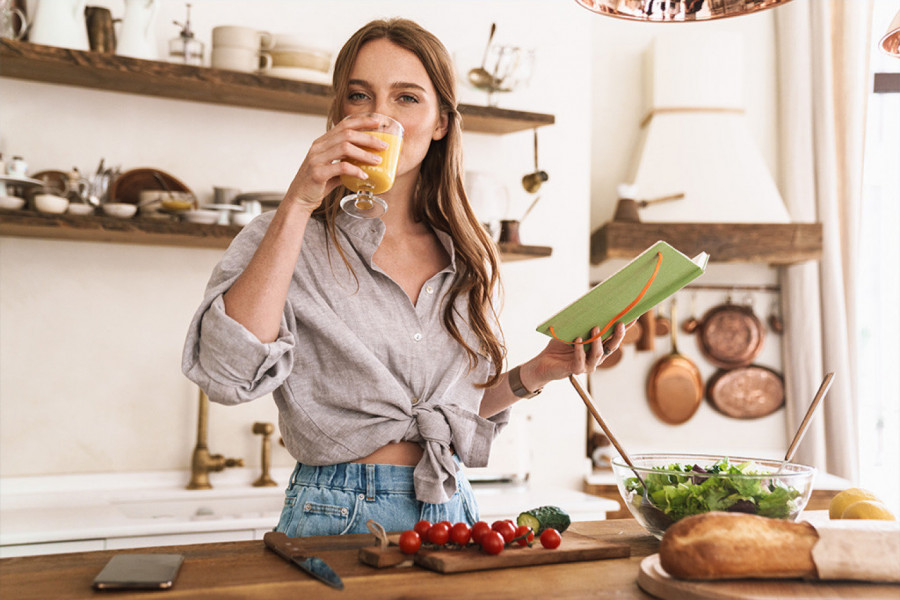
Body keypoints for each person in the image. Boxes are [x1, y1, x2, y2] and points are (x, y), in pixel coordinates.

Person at [182, 18, 625, 537]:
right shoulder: (289, 235)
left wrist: (537, 373)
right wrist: (300, 199)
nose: (378, 117)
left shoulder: (468, 251)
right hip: (337, 513)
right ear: (338, 113)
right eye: (359, 95)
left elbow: (450, 412)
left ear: (440, 122)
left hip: (451, 505)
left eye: (406, 98)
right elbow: (226, 375)